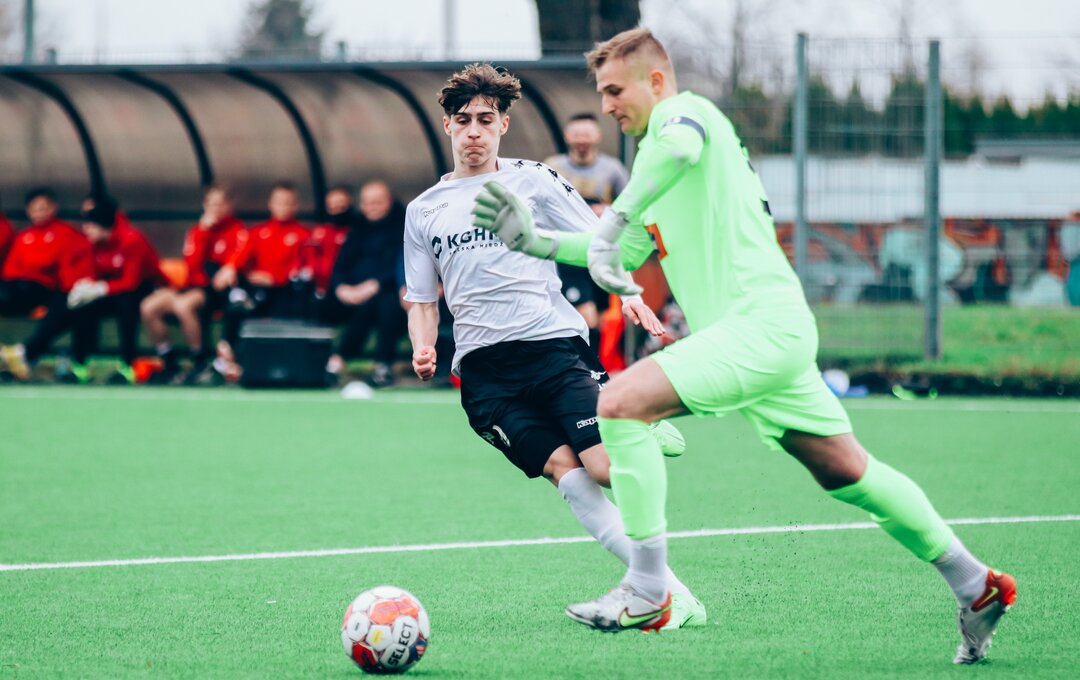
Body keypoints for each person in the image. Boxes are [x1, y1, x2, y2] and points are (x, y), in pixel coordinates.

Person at [475, 29, 1015, 662]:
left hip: (756, 327)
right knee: (846, 471)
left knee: (618, 403)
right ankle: (975, 583)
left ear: (655, 81)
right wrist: (536, 242)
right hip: (772, 332)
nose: (607, 105)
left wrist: (613, 215)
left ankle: (648, 589)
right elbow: (621, 250)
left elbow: (671, 156)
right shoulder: (655, 165)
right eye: (602, 93)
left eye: (615, 90)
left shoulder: (684, 116)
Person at [404, 62, 705, 629]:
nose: (474, 131)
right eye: (463, 120)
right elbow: (421, 297)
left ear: (504, 124)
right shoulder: (423, 210)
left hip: (551, 348)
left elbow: (597, 240)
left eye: (485, 119)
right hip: (486, 377)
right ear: (447, 126)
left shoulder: (534, 179)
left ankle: (634, 422)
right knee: (571, 480)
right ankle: (673, 596)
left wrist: (629, 294)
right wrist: (424, 345)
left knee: (605, 469)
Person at [140, 185, 247, 384]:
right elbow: (192, 264)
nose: (216, 209)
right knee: (149, 306)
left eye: (220, 204)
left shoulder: (237, 231)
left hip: (214, 291)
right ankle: (169, 361)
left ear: (229, 205)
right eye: (211, 204)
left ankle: (199, 361)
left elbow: (231, 266)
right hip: (191, 286)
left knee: (183, 306)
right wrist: (203, 232)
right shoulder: (198, 230)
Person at [213, 181, 309, 376]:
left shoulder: (303, 235)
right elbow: (240, 258)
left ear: (295, 206)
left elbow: (300, 269)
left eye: (288, 202)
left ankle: (267, 364)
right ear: (270, 204)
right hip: (256, 289)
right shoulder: (257, 232)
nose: (283, 207)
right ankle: (228, 357)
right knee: (237, 305)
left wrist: (274, 278)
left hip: (284, 292)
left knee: (287, 303)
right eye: (279, 202)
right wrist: (230, 268)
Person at [68, 196, 165, 384]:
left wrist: (100, 288)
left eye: (90, 226)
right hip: (114, 290)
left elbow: (131, 282)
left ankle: (127, 365)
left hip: (144, 288)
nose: (86, 231)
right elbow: (92, 272)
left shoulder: (132, 240)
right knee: (82, 306)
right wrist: (84, 288)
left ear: (103, 226)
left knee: (126, 304)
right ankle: (80, 365)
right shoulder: (92, 244)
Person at [0, 188, 94, 381]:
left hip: (44, 290)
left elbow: (63, 271)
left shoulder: (66, 234)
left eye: (43, 208)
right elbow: (10, 270)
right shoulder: (24, 236)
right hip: (16, 290)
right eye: (34, 209)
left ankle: (25, 355)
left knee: (72, 304)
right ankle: (17, 357)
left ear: (53, 208)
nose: (39, 213)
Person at [323, 180, 408, 387]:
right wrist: (341, 288)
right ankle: (321, 362)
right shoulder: (357, 229)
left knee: (383, 303)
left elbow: (401, 264)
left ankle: (371, 365)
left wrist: (374, 285)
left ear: (389, 201)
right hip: (351, 296)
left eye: (377, 202)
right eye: (367, 203)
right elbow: (340, 266)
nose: (372, 208)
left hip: (388, 294)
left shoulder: (403, 227)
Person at [544, 112, 629, 204]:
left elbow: (628, 202)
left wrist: (607, 208)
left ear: (599, 135)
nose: (581, 140)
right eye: (576, 135)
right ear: (566, 136)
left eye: (587, 135)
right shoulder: (552, 166)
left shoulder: (613, 168)